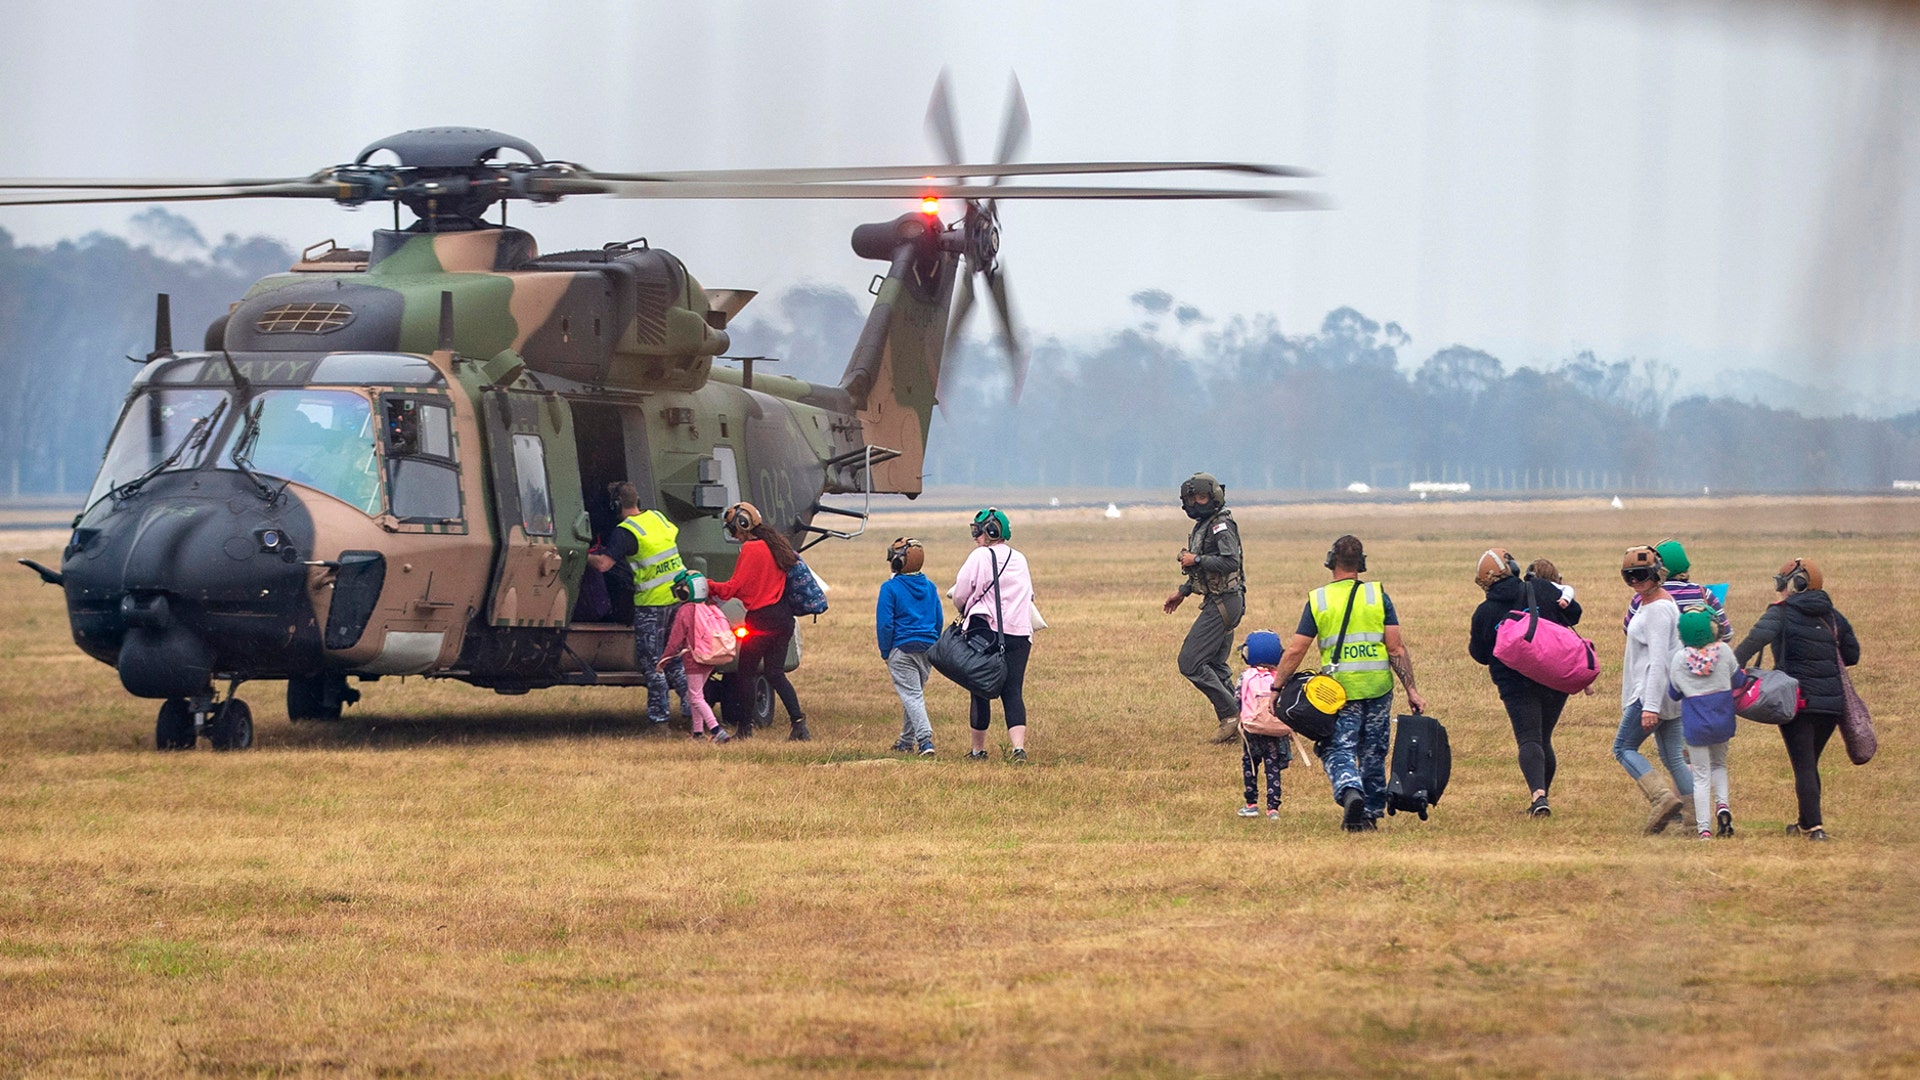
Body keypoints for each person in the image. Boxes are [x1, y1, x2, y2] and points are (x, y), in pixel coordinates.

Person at [1272, 534, 1428, 832]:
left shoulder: (1319, 599)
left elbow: (1296, 649)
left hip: (1338, 693)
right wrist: (1412, 690)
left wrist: (1277, 687)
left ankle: (1349, 789)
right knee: (1373, 750)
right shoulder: (1377, 595)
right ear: (1362, 564)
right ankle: (1369, 813)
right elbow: (1396, 648)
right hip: (1378, 687)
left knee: (1336, 749)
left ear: (1331, 562)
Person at [1732, 558, 1861, 842]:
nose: (1778, 588)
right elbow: (1852, 655)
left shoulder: (1780, 613)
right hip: (1831, 705)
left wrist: (1726, 671)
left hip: (1797, 702)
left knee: (1803, 765)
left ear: (1796, 584)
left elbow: (1750, 644)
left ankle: (1815, 828)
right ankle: (1804, 823)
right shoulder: (1833, 616)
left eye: (1781, 582)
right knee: (1809, 763)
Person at [1468, 548, 1582, 817]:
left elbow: (1480, 655)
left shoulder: (1484, 612)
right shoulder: (1540, 589)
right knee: (1544, 738)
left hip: (1514, 685)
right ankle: (1541, 797)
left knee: (1528, 738)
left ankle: (1538, 796)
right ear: (1514, 569)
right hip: (1554, 677)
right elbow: (1574, 614)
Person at [586, 481, 686, 731]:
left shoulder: (625, 531)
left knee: (653, 663)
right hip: (676, 599)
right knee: (673, 659)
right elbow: (670, 535)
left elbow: (603, 566)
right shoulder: (658, 518)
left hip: (651, 604)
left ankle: (659, 721)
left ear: (616, 505)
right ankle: (696, 710)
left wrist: (581, 554)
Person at [709, 501, 809, 740]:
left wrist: (707, 584)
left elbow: (733, 588)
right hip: (784, 619)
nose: (733, 534)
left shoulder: (751, 550)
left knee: (746, 674)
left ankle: (745, 728)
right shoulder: (778, 546)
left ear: (742, 525)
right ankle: (799, 724)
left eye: (733, 529)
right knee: (775, 674)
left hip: (761, 620)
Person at [1160, 473, 1246, 743]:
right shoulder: (1204, 525)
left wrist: (1195, 558)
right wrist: (1183, 591)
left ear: (1214, 496)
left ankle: (1230, 715)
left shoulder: (1221, 525)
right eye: (1191, 499)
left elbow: (1230, 562)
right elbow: (1204, 571)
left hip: (1224, 602)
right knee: (1216, 665)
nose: (1196, 504)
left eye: (1201, 498)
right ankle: (1247, 724)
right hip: (1220, 600)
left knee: (1191, 662)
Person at [1613, 544, 1693, 833]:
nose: (1636, 582)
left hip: (1651, 692)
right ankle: (1696, 823)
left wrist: (1649, 706)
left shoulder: (1658, 610)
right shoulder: (1657, 602)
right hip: (1667, 694)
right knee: (1673, 757)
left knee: (1623, 748)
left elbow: (1659, 660)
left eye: (1642, 575)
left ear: (1657, 573)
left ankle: (1662, 799)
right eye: (1629, 576)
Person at [949, 507, 1034, 762]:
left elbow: (962, 592)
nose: (975, 536)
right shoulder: (1020, 559)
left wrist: (965, 608)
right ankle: (1018, 749)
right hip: (1019, 634)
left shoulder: (979, 557)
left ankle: (978, 751)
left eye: (978, 531)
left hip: (985, 633)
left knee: (979, 690)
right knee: (1013, 691)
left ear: (991, 531)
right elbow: (1029, 594)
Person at [1668, 609, 1744, 840]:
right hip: (1722, 719)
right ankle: (1723, 807)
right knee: (1719, 765)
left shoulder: (1680, 659)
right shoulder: (1724, 651)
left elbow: (1673, 693)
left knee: (1700, 776)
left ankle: (1704, 829)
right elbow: (1739, 680)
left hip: (1695, 725)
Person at [877, 537, 943, 757]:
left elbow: (885, 624)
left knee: (912, 696)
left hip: (901, 649)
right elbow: (938, 618)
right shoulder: (931, 587)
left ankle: (925, 740)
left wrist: (885, 651)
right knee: (912, 694)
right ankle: (905, 741)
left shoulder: (890, 588)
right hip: (928, 648)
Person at [658, 570, 732, 743]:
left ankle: (716, 730)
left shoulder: (685, 611)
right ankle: (697, 733)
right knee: (696, 696)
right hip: (710, 658)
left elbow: (674, 641)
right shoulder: (710, 607)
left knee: (695, 697)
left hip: (694, 659)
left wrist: (664, 659)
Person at [1623, 538, 1730, 642]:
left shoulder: (1643, 597)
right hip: (1698, 659)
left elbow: (1629, 630)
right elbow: (1726, 634)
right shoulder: (1703, 593)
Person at [1235, 630, 1291, 820]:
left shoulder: (1245, 676)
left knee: (1250, 764)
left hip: (1252, 729)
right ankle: (1273, 809)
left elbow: (1237, 700)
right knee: (1272, 767)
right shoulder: (1281, 677)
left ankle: (1251, 804)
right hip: (1275, 730)